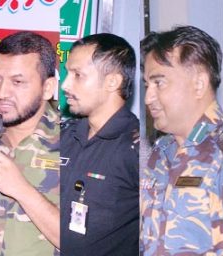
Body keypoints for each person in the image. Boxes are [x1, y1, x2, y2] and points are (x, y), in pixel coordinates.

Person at [140, 25, 223, 255]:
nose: (148, 97)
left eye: (159, 83)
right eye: (147, 85)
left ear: (198, 84)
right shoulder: (160, 152)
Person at [59, 33, 139, 255]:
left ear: (112, 81)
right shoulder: (63, 136)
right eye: (68, 73)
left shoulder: (139, 150)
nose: (65, 84)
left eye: (78, 75)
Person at [0, 31, 61, 255]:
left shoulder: (75, 142)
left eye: (17, 82)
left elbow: (89, 243)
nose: (1, 93)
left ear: (48, 88)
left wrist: (20, 189)